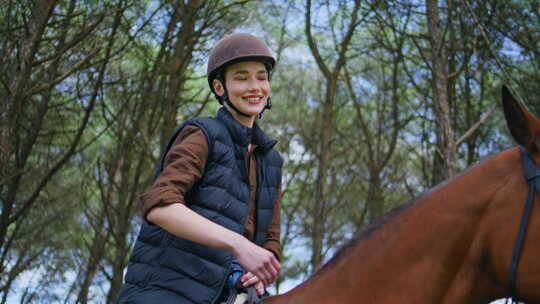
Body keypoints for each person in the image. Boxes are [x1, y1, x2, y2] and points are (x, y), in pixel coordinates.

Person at [116, 33, 283, 304]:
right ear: (219, 87)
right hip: (165, 292)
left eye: (261, 77)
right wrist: (238, 245)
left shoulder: (272, 161)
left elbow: (270, 240)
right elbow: (160, 206)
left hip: (231, 295)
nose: (255, 87)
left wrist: (261, 269)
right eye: (241, 78)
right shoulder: (201, 134)